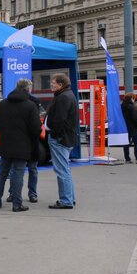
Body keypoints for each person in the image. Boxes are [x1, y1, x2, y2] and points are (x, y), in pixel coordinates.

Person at [0, 79, 42, 212]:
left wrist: (4, 132)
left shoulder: (3, 104)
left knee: (2, 173)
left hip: (6, 144)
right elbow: (36, 128)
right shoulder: (30, 105)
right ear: (28, 89)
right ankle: (17, 204)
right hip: (23, 145)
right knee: (18, 174)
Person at [46, 73, 79, 209]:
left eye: (53, 83)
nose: (51, 85)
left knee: (62, 170)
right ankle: (70, 198)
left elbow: (60, 120)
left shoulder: (63, 97)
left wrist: (54, 134)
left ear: (60, 84)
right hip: (65, 137)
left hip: (60, 138)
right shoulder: (67, 95)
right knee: (65, 169)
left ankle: (66, 200)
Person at [7, 91, 41, 204]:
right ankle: (30, 193)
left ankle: (14, 193)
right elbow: (36, 126)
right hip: (28, 142)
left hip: (21, 142)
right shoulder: (31, 102)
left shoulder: (11, 101)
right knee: (30, 169)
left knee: (17, 170)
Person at [121, 92, 137, 163]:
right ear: (132, 98)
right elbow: (135, 118)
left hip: (125, 127)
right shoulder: (133, 107)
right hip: (134, 127)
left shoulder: (121, 106)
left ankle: (127, 159)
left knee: (126, 143)